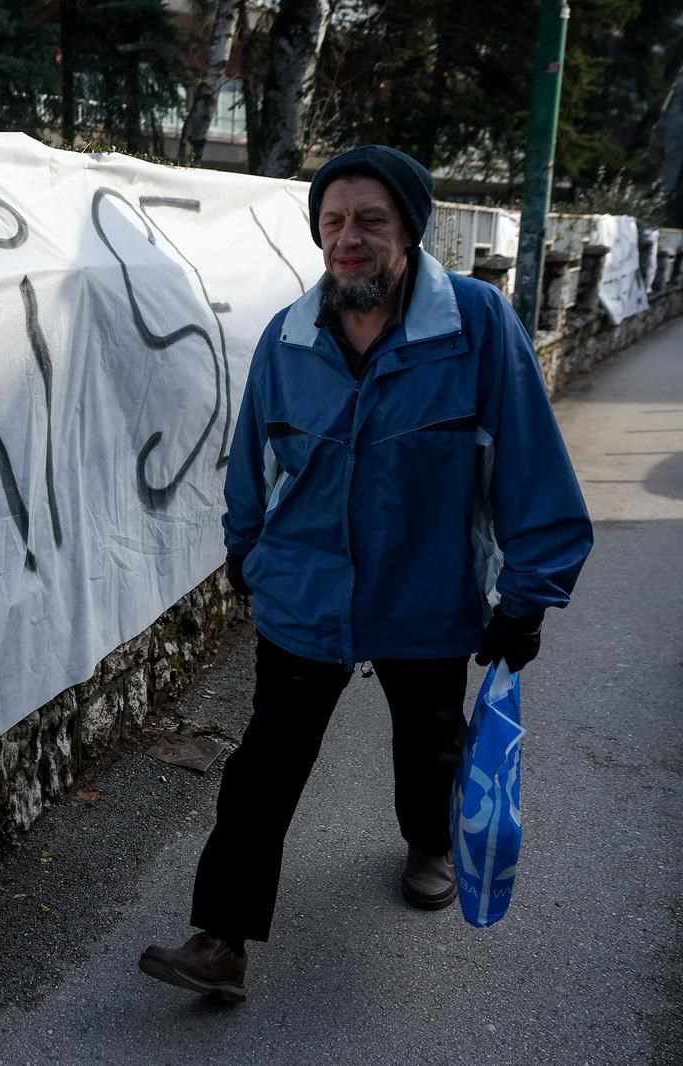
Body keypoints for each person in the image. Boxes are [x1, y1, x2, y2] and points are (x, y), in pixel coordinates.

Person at [137, 145, 594, 1003]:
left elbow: (530, 463)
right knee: (264, 764)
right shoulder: (290, 336)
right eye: (333, 222)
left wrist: (528, 597)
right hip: (307, 588)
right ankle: (221, 940)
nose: (348, 240)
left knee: (429, 741)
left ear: (410, 231)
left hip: (425, 586)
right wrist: (245, 545)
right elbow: (254, 456)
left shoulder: (474, 325)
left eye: (370, 222)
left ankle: (429, 843)